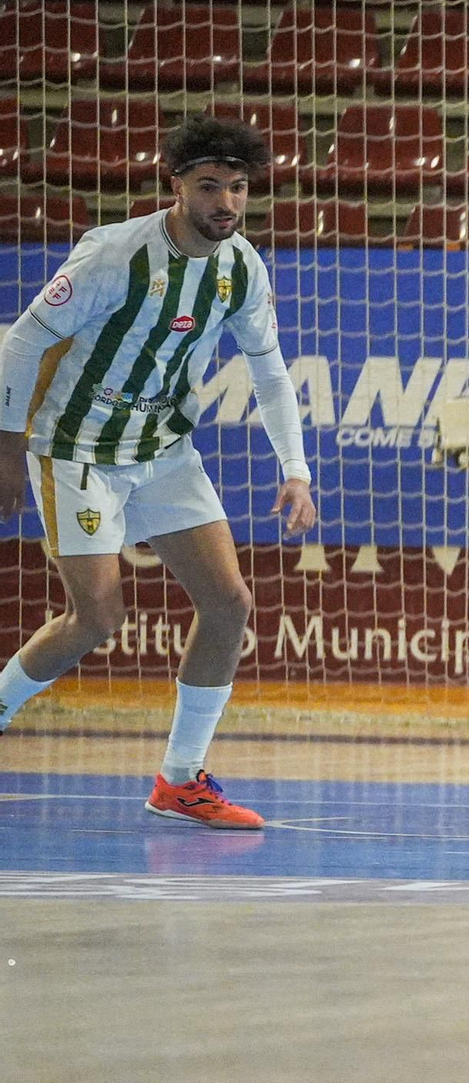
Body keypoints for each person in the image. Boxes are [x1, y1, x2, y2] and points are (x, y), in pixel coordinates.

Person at [0, 115, 317, 829]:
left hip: (164, 452)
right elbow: (22, 343)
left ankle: (179, 780)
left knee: (230, 604)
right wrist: (6, 448)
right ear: (175, 185)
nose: (227, 204)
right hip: (77, 447)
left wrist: (295, 470)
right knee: (98, 616)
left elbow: (268, 371)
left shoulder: (241, 267)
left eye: (238, 188)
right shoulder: (114, 255)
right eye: (210, 187)